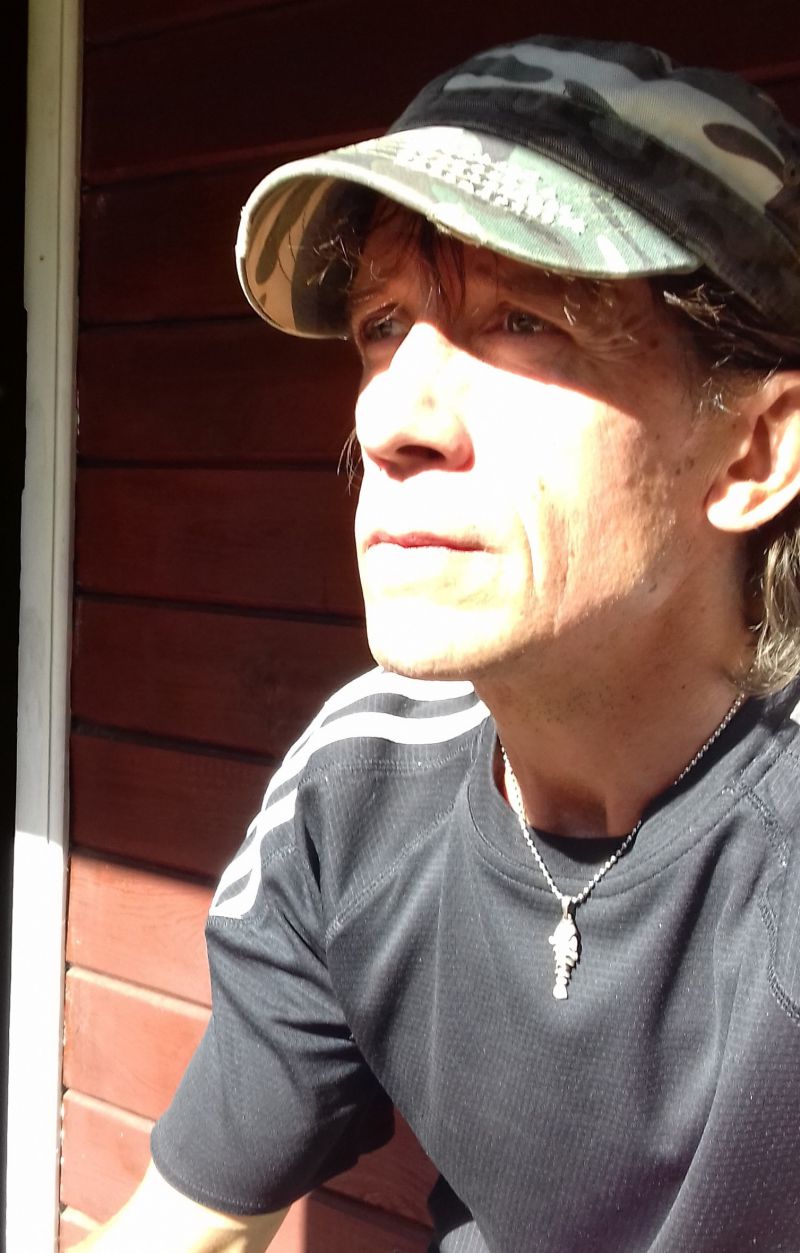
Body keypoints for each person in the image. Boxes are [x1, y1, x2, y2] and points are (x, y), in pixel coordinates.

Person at [77, 35, 800, 1253]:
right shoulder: (361, 782)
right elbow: (188, 1224)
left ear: (752, 452)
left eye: (522, 320)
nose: (390, 417)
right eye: (381, 326)